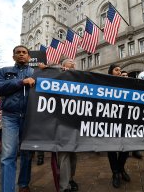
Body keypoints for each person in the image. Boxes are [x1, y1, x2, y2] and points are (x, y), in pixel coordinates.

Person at [0, 45, 35, 192]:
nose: (21, 54)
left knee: (27, 153)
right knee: (8, 155)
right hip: (10, 117)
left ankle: (23, 184)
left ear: (29, 57)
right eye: (18, 52)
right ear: (13, 56)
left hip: (30, 117)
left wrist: (64, 71)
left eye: (24, 52)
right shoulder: (3, 71)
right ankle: (7, 189)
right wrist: (20, 82)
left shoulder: (37, 73)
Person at [107, 64, 130, 188]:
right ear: (111, 72)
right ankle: (115, 173)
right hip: (110, 121)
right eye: (116, 70)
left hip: (125, 121)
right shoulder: (105, 83)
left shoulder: (127, 83)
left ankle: (121, 169)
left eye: (120, 70)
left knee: (125, 147)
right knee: (111, 149)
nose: (119, 72)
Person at [57, 57, 79, 192]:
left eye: (73, 61)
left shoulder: (79, 77)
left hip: (76, 121)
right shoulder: (58, 73)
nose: (73, 62)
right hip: (61, 121)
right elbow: (48, 71)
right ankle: (64, 186)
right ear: (63, 65)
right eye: (69, 61)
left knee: (74, 154)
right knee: (64, 153)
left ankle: (71, 179)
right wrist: (60, 71)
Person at [121, 70, 143, 159]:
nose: (125, 76)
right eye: (123, 75)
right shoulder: (116, 85)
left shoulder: (132, 85)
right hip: (121, 114)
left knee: (134, 131)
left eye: (126, 75)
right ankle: (125, 149)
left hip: (132, 112)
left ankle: (135, 150)